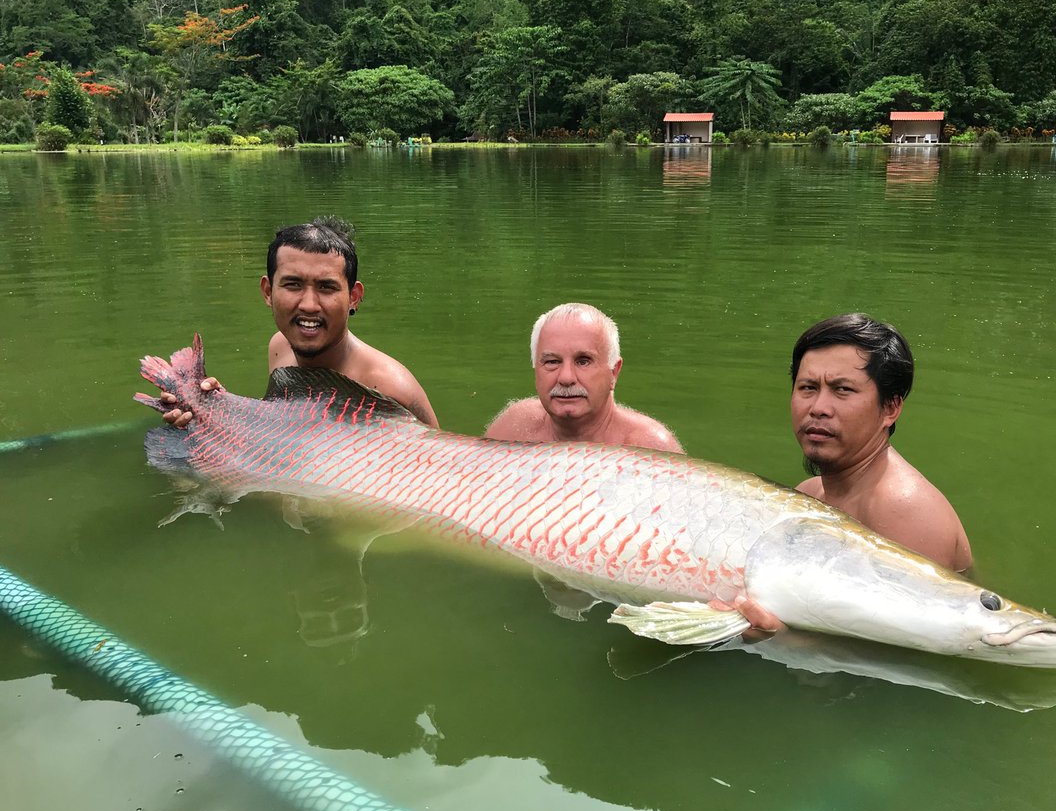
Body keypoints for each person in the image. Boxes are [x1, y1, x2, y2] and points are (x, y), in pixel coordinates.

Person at [722, 313, 972, 634]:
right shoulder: (811, 493)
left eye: (842, 390)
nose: (818, 407)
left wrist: (780, 639)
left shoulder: (905, 510)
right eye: (808, 387)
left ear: (890, 408)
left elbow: (907, 648)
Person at [162, 218, 437, 427]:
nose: (308, 304)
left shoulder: (389, 387)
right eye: (293, 285)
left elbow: (436, 474)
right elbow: (286, 426)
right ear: (268, 292)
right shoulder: (280, 346)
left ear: (354, 297)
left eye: (327, 287)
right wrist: (214, 410)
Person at [484, 302, 683, 453]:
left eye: (583, 361)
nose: (566, 378)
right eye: (552, 361)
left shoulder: (648, 449)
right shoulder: (514, 429)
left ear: (614, 371)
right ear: (536, 369)